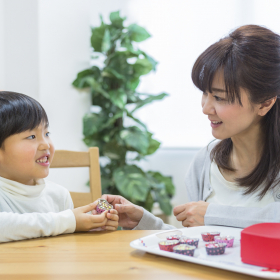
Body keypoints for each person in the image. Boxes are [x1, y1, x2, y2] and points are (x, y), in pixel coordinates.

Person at [103, 25, 280, 230]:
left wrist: (214, 215)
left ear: (265, 103)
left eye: (220, 97)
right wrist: (144, 222)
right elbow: (200, 244)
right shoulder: (204, 162)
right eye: (205, 93)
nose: (206, 108)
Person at [0, 91, 119, 243]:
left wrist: (91, 227)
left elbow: (67, 243)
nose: (46, 144)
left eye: (47, 133)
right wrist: (68, 221)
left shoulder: (58, 195)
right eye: (31, 136)